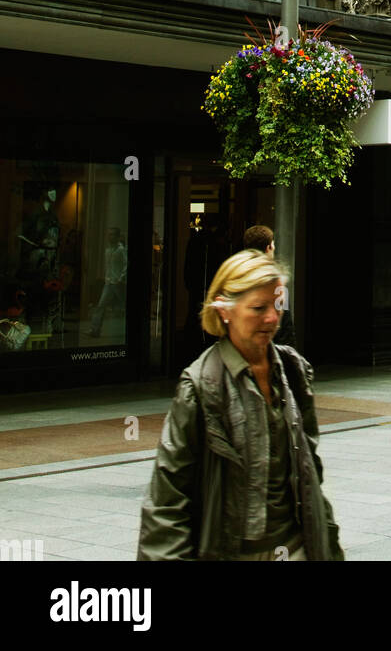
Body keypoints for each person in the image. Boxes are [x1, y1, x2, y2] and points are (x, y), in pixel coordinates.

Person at [138, 250, 343, 561]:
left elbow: (310, 474)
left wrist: (328, 543)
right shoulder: (199, 385)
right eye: (258, 308)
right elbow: (168, 500)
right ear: (225, 310)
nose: (273, 318)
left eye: (277, 305)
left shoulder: (295, 371)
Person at [243, 224, 296, 346]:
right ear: (269, 247)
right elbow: (285, 326)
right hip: (270, 348)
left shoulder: (238, 277)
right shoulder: (275, 282)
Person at [88, 227, 127, 338]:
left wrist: (121, 278)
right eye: (109, 234)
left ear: (117, 236)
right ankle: (95, 330)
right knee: (101, 306)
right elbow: (109, 266)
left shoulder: (121, 250)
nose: (110, 237)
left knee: (124, 304)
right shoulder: (108, 250)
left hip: (118, 284)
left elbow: (125, 265)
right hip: (109, 283)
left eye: (113, 235)